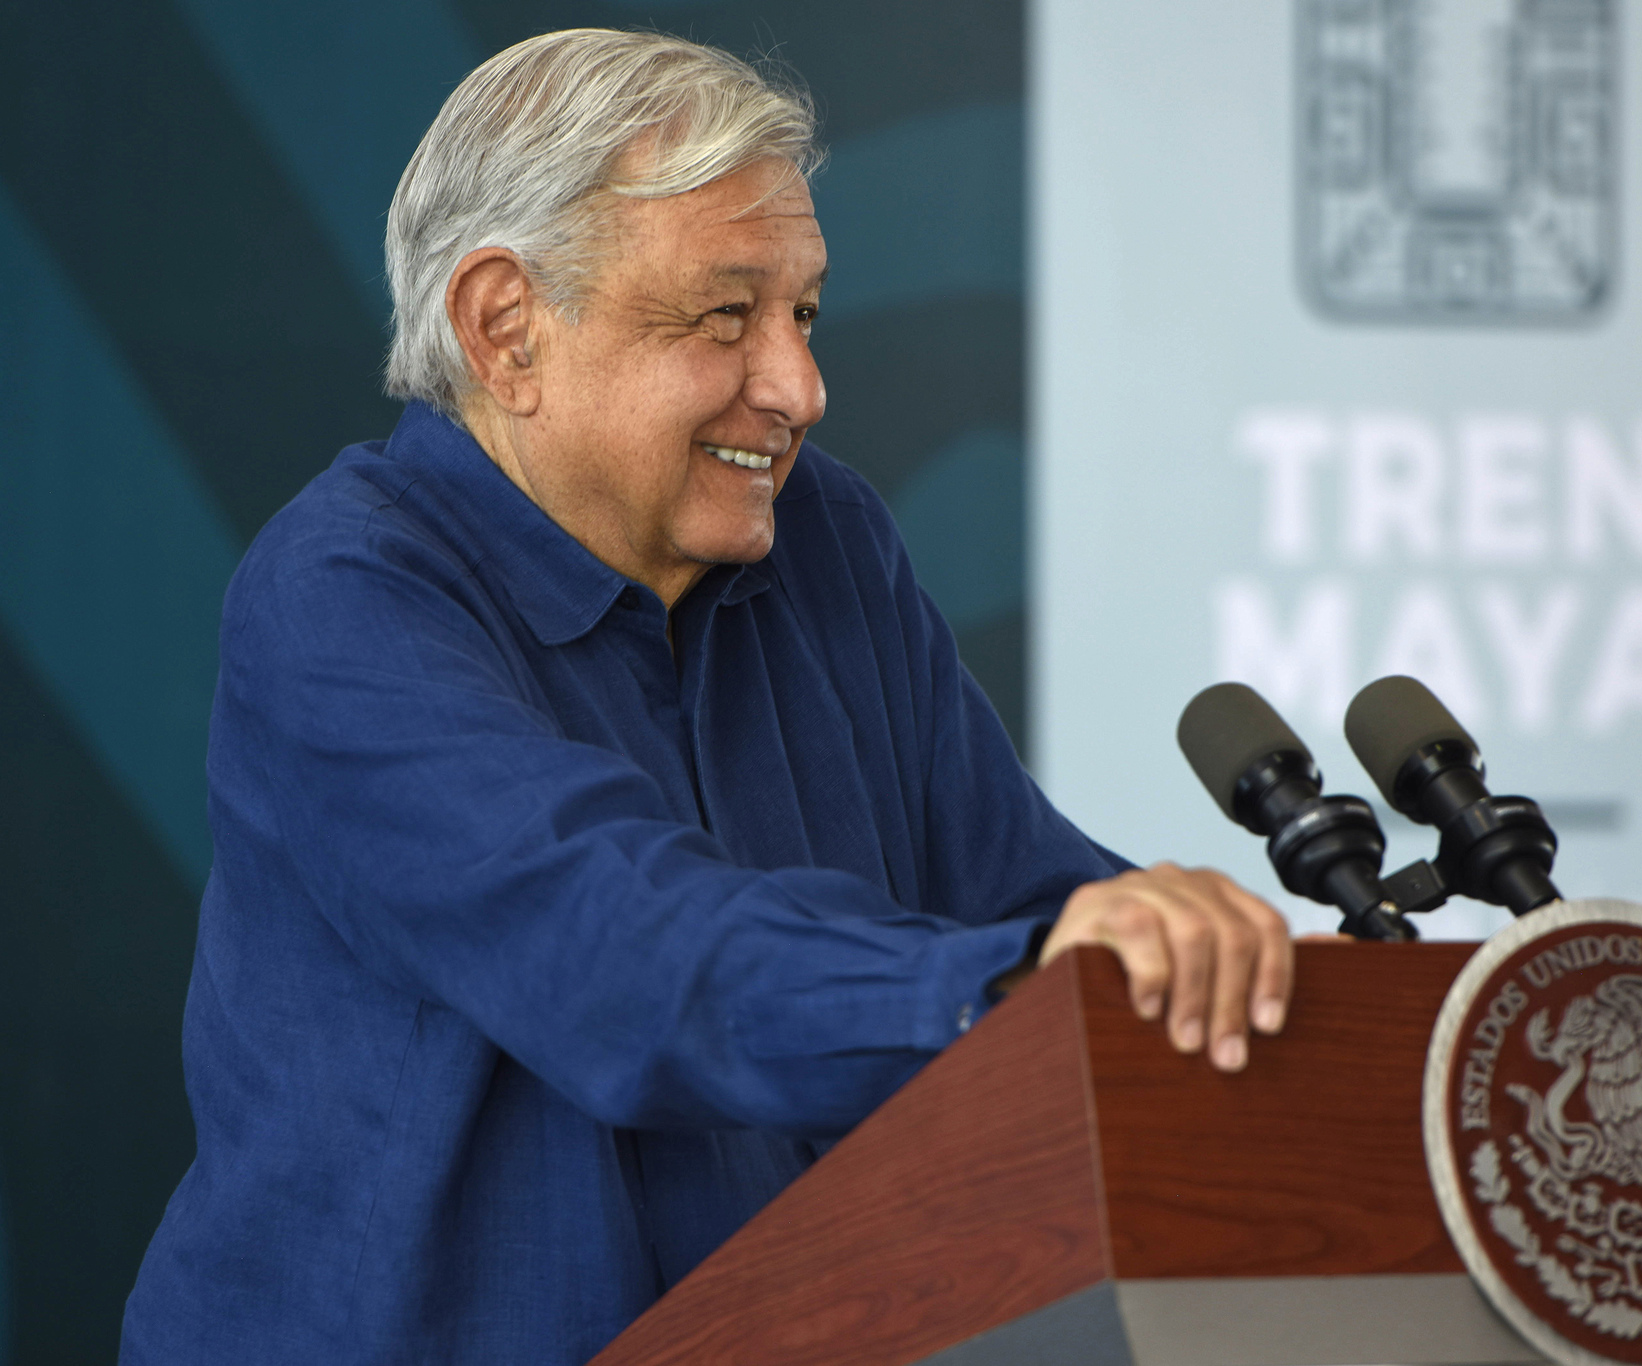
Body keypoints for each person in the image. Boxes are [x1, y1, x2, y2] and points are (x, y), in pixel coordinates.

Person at [121, 29, 1302, 1365]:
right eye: (725, 316)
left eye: (802, 312)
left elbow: (1026, 900)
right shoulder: (341, 592)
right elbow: (616, 947)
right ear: (506, 329)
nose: (799, 386)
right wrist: (1019, 982)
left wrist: (1191, 973)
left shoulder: (829, 540)